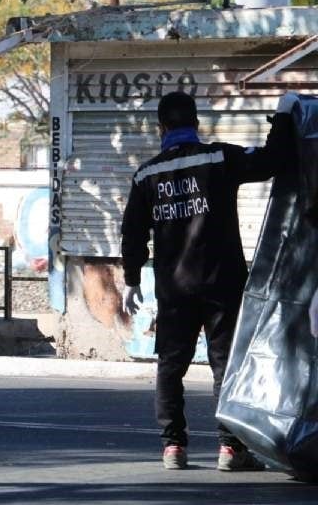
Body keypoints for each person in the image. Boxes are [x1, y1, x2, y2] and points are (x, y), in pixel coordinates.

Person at [120, 91, 298, 471]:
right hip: (223, 283)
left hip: (173, 288)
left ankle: (173, 448)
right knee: (225, 366)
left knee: (171, 365)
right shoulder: (219, 158)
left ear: (161, 127)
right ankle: (231, 450)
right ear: (196, 123)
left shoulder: (147, 174)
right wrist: (283, 116)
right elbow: (271, 160)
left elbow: (132, 233)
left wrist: (132, 279)